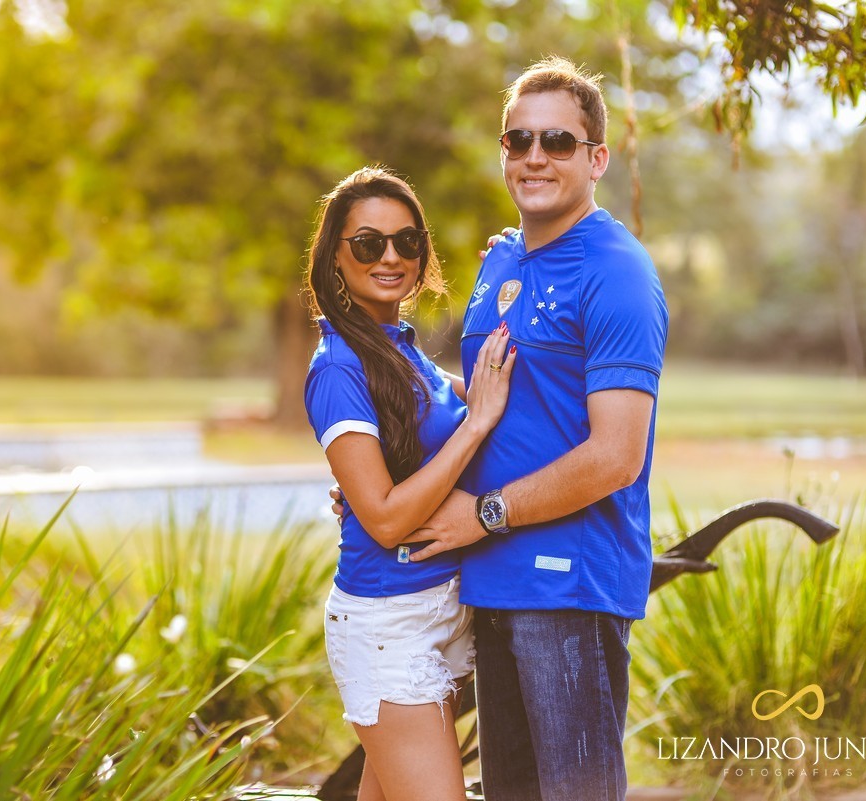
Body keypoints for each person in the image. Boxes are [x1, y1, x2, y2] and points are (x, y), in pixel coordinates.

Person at [335, 58, 668, 800]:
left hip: (568, 589)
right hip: (486, 582)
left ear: (597, 159)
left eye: (558, 140)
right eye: (519, 140)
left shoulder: (618, 272)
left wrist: (484, 513)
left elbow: (616, 456)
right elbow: (488, 400)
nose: (535, 156)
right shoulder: (503, 259)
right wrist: (386, 478)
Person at [303, 165, 517, 801]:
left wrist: (518, 265)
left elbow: (487, 400)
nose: (391, 257)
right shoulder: (338, 368)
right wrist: (474, 426)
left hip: (441, 608)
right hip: (389, 623)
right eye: (368, 244)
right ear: (334, 257)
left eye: (407, 241)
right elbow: (387, 519)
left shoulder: (398, 349)